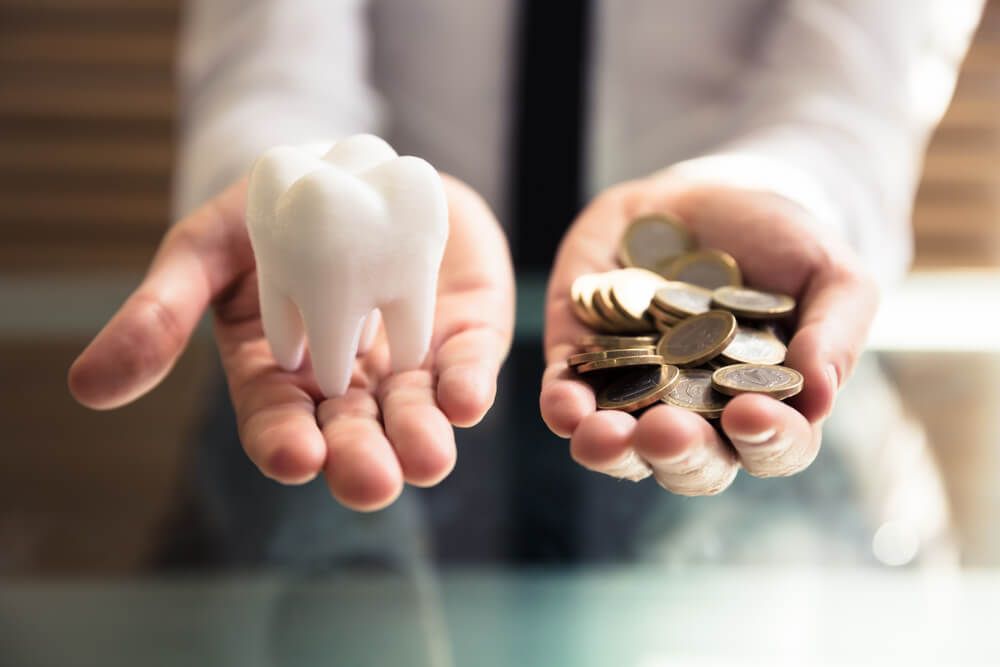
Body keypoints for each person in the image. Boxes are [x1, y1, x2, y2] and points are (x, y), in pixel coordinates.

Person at [68, 1, 982, 564]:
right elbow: (272, 59)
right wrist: (282, 182)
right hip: (393, 315)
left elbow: (852, 93)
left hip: (786, 538)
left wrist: (786, 199)